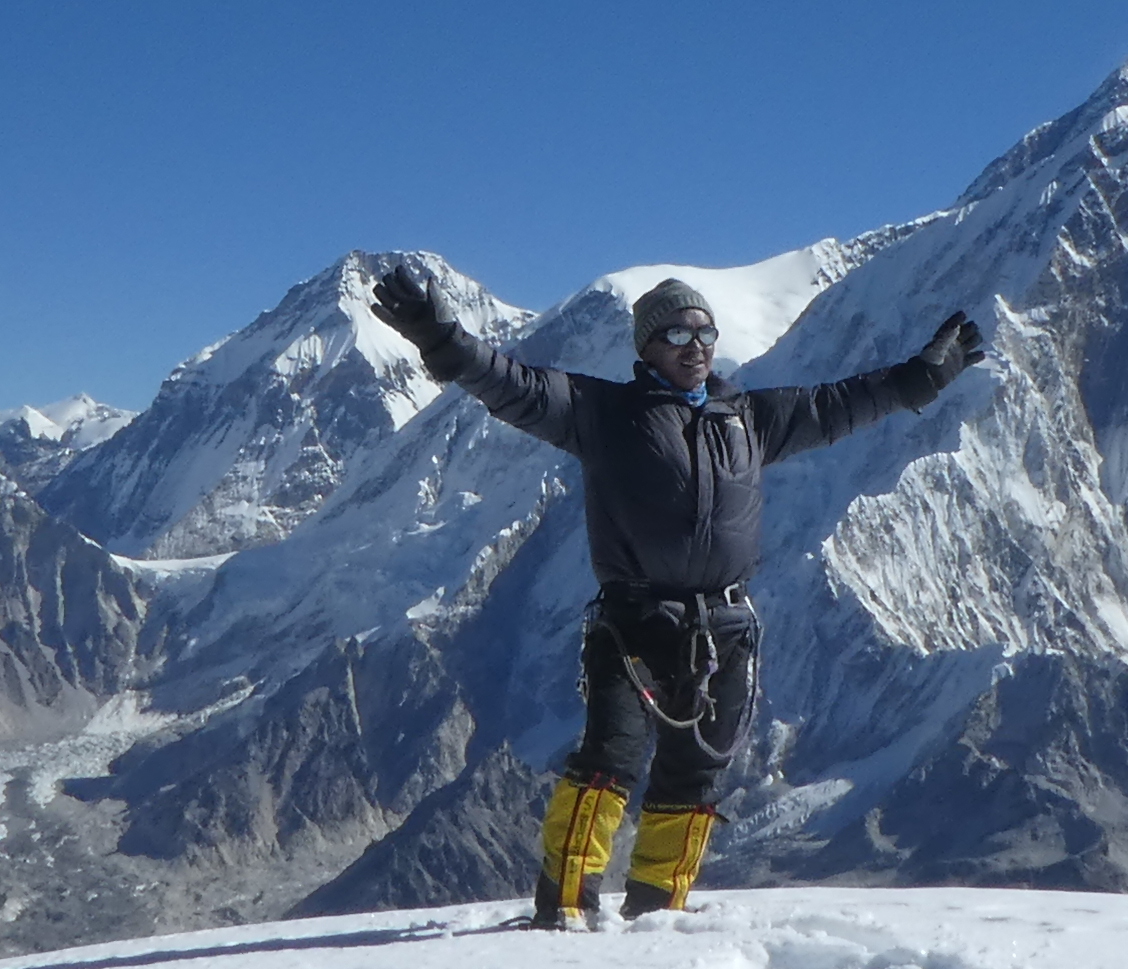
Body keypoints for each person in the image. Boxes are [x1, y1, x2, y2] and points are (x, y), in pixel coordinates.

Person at [365, 262, 983, 926]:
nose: (696, 345)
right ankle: (564, 908)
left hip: (723, 628)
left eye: (705, 332)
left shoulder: (749, 418)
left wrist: (923, 379)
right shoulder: (603, 413)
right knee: (608, 763)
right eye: (678, 333)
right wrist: (441, 338)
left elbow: (839, 405)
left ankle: (660, 910)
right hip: (634, 625)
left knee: (695, 775)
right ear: (647, 347)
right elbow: (512, 385)